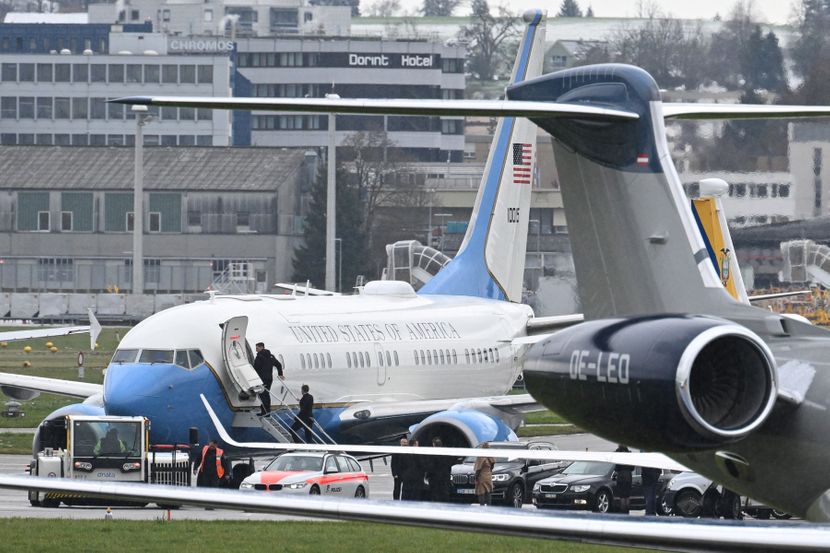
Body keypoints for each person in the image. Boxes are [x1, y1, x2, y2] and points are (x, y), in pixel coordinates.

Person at [254, 342, 283, 416]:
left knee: (262, 395)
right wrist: (280, 374)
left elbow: (256, 368)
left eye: (257, 348)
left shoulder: (259, 356)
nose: (256, 349)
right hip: (269, 378)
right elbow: (279, 365)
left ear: (261, 347)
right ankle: (267, 411)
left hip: (262, 379)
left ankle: (265, 412)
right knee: (266, 394)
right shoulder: (271, 356)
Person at [425, 437, 455, 502]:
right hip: (444, 478)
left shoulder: (432, 454)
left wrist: (427, 475)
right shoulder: (446, 453)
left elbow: (430, 466)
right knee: (444, 495)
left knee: (435, 496)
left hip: (435, 479)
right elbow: (449, 465)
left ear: (434, 444)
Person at [473, 442, 496, 506]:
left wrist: (476, 477)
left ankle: (482, 505)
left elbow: (478, 468)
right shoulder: (490, 456)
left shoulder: (481, 456)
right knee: (488, 491)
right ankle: (489, 505)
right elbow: (492, 465)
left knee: (481, 492)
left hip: (482, 476)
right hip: (488, 476)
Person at [614, 445, 633, 514]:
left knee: (622, 496)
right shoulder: (629, 454)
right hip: (628, 476)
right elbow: (632, 468)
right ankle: (627, 511)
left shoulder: (618, 454)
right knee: (627, 496)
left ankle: (622, 511)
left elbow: (616, 468)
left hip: (621, 476)